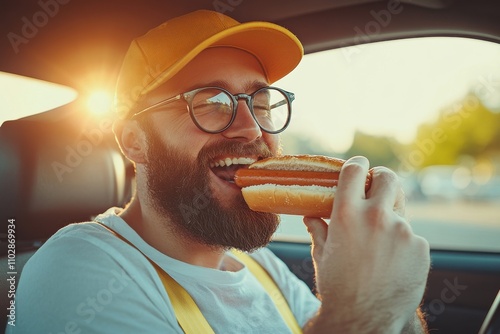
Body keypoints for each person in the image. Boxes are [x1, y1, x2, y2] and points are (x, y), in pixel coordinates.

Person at [11, 10, 430, 333]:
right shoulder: (76, 270)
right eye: (212, 102)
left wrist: (393, 298)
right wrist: (361, 309)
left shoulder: (264, 267)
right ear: (134, 141)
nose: (251, 128)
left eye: (261, 102)